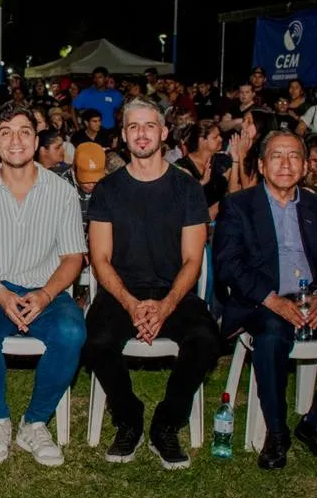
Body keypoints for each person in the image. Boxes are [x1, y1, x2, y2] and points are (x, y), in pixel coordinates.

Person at [213, 131, 317, 470]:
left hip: (310, 299)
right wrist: (271, 300)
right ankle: (277, 432)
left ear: (304, 166)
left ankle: (315, 425)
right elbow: (227, 265)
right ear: (262, 164)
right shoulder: (239, 206)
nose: (285, 163)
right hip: (261, 302)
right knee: (271, 339)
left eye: (294, 156)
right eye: (277, 156)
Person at [83, 98, 224, 468]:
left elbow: (194, 258)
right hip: (120, 292)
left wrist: (166, 304)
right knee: (95, 340)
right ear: (124, 135)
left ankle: (167, 423)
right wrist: (131, 304)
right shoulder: (108, 190)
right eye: (133, 127)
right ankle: (128, 418)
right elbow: (100, 259)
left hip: (173, 291)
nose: (141, 134)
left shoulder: (187, 188)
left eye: (149, 126)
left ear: (163, 133)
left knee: (206, 339)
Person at [0, 107, 87, 466]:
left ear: (35, 138)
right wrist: (1, 294)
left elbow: (73, 257)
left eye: (24, 132)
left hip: (46, 286)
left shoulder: (62, 192)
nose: (16, 140)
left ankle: (35, 422)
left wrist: (46, 295)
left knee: (70, 331)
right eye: (6, 132)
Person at [175, 120, 234, 220]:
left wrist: (236, 160)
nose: (220, 139)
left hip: (225, 219)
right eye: (215, 137)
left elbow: (234, 191)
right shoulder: (183, 166)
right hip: (197, 222)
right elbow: (181, 203)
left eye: (219, 135)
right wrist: (200, 183)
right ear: (202, 140)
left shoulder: (223, 161)